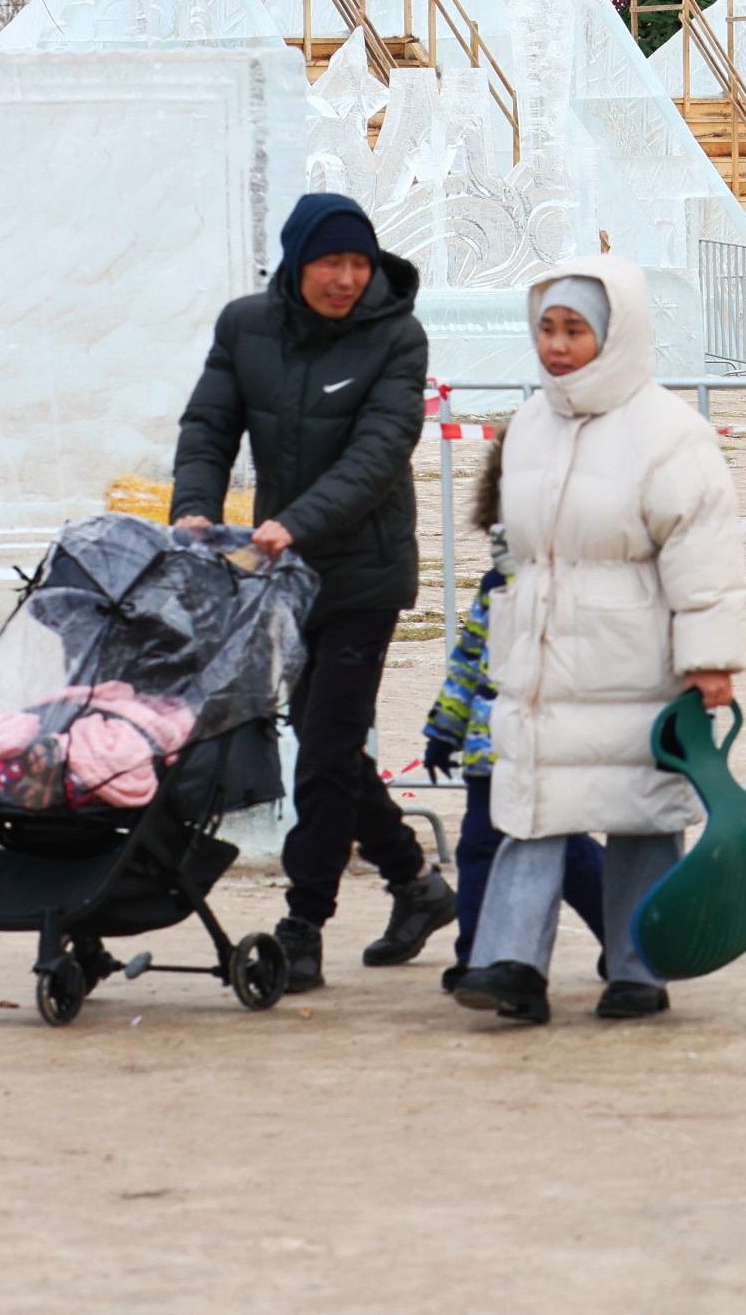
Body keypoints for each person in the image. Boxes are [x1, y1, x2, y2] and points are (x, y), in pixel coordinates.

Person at [454, 256, 746, 1025]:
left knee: (641, 816)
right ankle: (511, 963)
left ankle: (637, 969)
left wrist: (710, 660)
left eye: (575, 330)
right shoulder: (528, 425)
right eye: (547, 328)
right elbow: (511, 543)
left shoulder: (670, 434)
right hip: (543, 654)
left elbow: (704, 552)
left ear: (615, 335)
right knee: (529, 805)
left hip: (634, 655)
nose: (556, 346)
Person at [171, 192, 454, 991]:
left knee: (327, 747)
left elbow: (378, 452)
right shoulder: (245, 327)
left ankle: (304, 923)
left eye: (359, 264)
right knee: (328, 744)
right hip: (288, 575)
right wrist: (194, 507)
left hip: (363, 569)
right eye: (332, 263)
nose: (346, 279)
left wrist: (294, 521)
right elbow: (209, 427)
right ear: (298, 263)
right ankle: (418, 886)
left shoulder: (398, 336)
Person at [419, 438, 610, 993]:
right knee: (479, 846)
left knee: (567, 850)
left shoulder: (584, 577)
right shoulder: (496, 580)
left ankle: (628, 936)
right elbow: (470, 660)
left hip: (554, 742)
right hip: (489, 748)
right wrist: (444, 729)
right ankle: (478, 956)